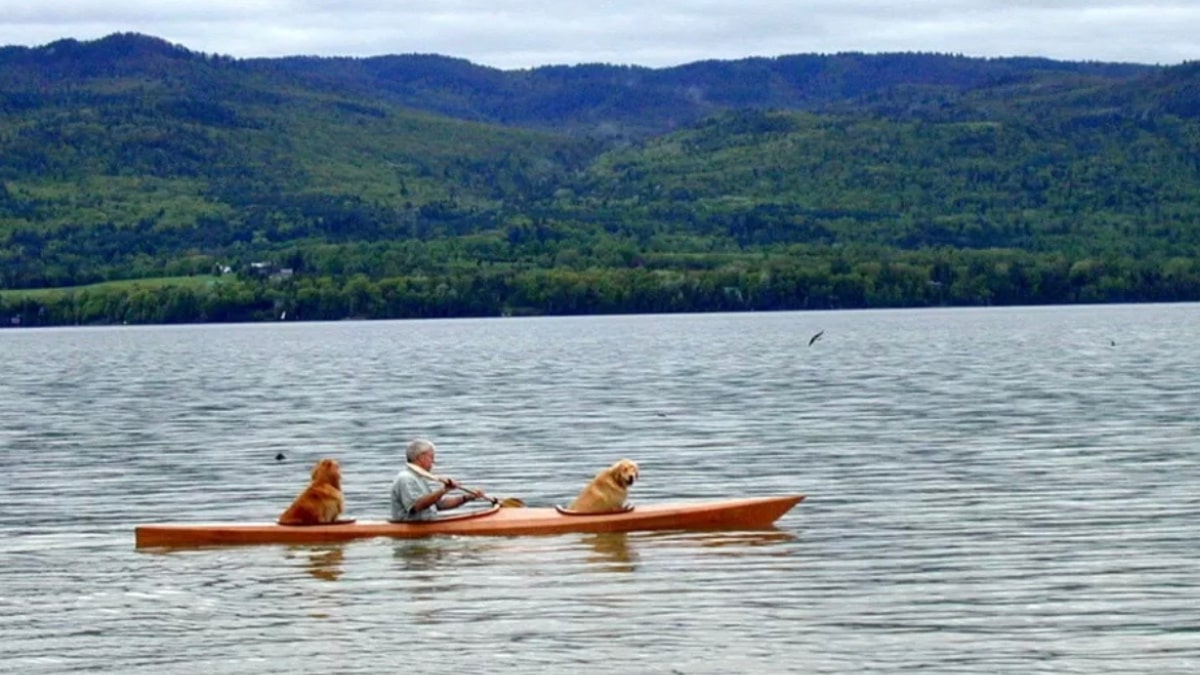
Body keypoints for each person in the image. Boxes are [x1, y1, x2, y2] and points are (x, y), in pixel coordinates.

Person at [390, 439, 483, 521]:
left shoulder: (419, 478)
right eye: (431, 457)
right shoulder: (406, 478)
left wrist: (467, 498)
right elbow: (417, 506)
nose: (433, 462)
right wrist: (444, 490)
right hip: (411, 527)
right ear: (420, 458)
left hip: (428, 523)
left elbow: (438, 505)